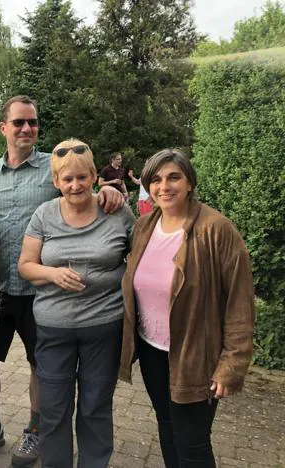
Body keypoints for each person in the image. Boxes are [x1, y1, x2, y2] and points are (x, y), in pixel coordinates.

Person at [0, 95, 124, 466]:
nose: (28, 129)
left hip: (42, 295)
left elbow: (84, 182)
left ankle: (34, 432)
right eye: (20, 122)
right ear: (3, 128)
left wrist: (107, 189)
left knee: (43, 370)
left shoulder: (54, 165)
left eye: (33, 122)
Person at [119, 149, 255, 468]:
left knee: (192, 443)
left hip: (196, 355)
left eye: (173, 177)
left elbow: (240, 301)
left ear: (190, 182)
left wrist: (232, 363)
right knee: (167, 428)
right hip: (153, 351)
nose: (164, 186)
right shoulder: (144, 227)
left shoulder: (216, 230)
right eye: (155, 179)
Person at [18, 140, 134, 467]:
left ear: (95, 176)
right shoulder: (44, 214)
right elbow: (25, 265)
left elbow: (140, 256)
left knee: (95, 406)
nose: (75, 185)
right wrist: (52, 274)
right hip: (54, 328)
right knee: (53, 408)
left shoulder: (116, 211)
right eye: (66, 179)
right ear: (56, 182)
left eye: (82, 177)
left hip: (103, 326)